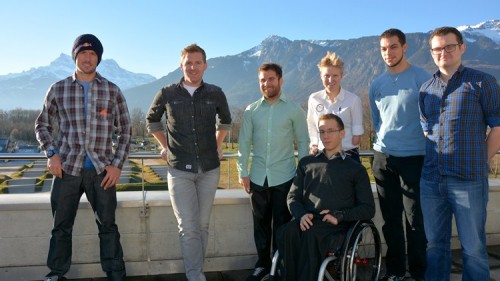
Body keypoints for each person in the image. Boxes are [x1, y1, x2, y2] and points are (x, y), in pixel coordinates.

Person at [35, 34, 131, 281]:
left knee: (108, 227)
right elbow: (42, 125)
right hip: (66, 170)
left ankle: (115, 274)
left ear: (98, 58)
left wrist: (116, 166)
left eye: (92, 54)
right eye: (83, 54)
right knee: (61, 228)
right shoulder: (58, 89)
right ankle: (56, 274)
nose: (87, 58)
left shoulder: (112, 90)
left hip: (102, 172)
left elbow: (126, 130)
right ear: (75, 56)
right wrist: (52, 154)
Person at [419, 26, 500, 281]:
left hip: (468, 180)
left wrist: (480, 161)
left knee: (473, 249)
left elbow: (497, 128)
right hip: (432, 180)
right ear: (431, 53)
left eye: (449, 46)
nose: (443, 52)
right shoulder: (426, 89)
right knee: (435, 246)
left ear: (461, 47)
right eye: (437, 49)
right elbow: (426, 131)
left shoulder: (482, 82)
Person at [145, 44, 232, 281]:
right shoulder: (167, 93)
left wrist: (218, 144)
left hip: (209, 169)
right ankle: (195, 276)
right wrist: (164, 145)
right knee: (188, 226)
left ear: (205, 65)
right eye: (188, 63)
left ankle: (196, 271)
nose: (193, 67)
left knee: (202, 226)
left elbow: (226, 121)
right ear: (181, 65)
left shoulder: (215, 92)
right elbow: (151, 120)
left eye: (197, 62)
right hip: (179, 169)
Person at [278, 113, 375, 281]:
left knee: (311, 235)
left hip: (338, 224)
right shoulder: (306, 163)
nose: (326, 136)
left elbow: (368, 208)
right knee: (287, 232)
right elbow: (292, 196)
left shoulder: (355, 169)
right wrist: (300, 215)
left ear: (342, 133)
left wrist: (340, 216)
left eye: (331, 131)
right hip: (308, 219)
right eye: (322, 131)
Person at [237, 63, 309, 281]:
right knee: (259, 225)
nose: (266, 84)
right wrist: (243, 171)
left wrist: (301, 174)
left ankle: (279, 267)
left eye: (270, 79)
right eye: (262, 80)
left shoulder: (294, 109)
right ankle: (262, 265)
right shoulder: (251, 111)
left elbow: (304, 142)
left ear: (280, 80)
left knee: (282, 225)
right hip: (257, 177)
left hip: (285, 177)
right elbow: (243, 143)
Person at [368, 28, 430, 281]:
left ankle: (417, 273)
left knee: (415, 219)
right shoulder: (377, 84)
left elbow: (431, 117)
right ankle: (394, 271)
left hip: (414, 158)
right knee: (390, 220)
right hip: (383, 157)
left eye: (393, 47)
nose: (388, 53)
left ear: (405, 48)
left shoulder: (421, 77)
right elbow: (377, 120)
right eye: (384, 48)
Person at [307, 51, 364, 162]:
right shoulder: (314, 99)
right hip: (321, 156)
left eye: (335, 75)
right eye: (326, 75)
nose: (330, 80)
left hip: (348, 156)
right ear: (320, 76)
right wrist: (314, 143)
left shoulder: (353, 100)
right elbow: (311, 124)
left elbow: (357, 129)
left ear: (341, 76)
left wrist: (355, 138)